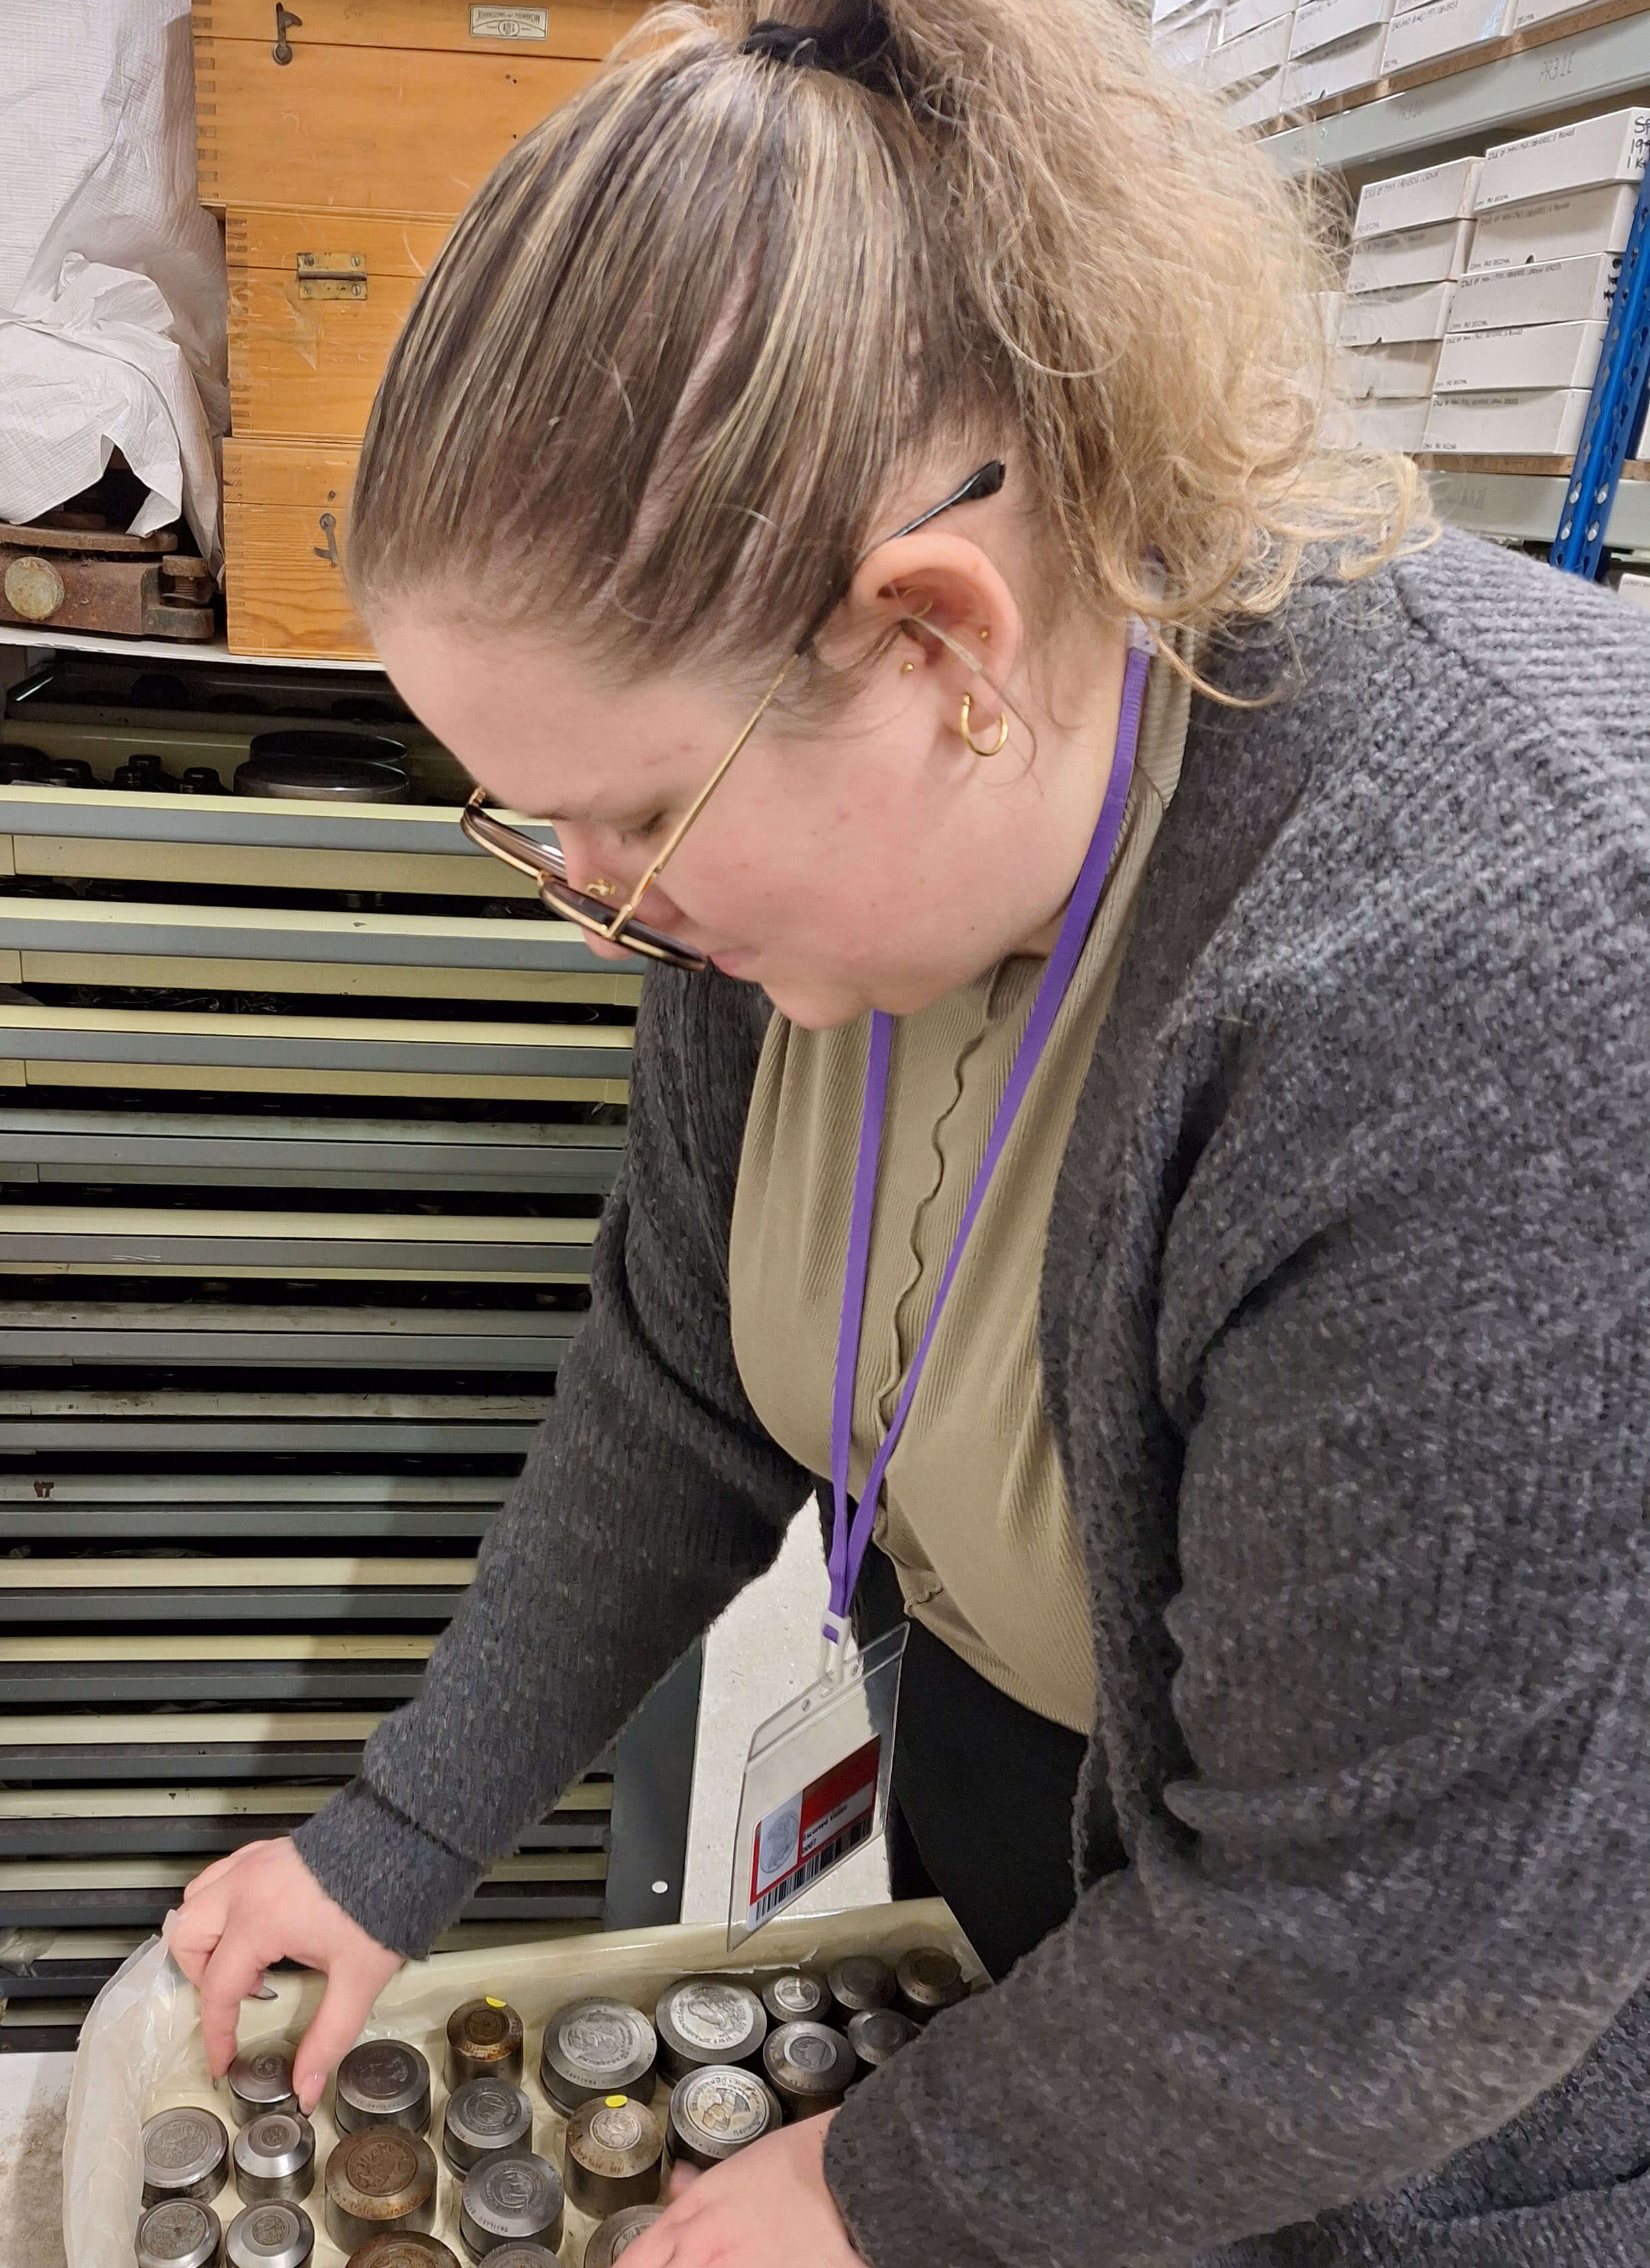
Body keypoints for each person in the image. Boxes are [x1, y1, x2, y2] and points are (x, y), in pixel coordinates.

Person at [169, 1, 1650, 2260]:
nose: (602, 916)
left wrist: (890, 2190)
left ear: (941, 638)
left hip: (1437, 2106)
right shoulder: (779, 916)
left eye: (641, 822)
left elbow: (1400, 1958)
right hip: (1060, 1887)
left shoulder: (1496, 974)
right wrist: (399, 1826)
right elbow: (680, 1389)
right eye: (542, 833)